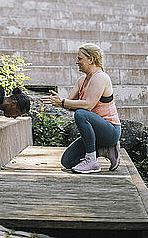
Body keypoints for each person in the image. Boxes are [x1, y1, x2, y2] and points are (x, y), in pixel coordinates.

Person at [41, 43, 121, 174]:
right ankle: (104, 150)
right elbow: (69, 103)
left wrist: (63, 102)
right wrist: (58, 100)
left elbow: (88, 105)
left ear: (91, 59)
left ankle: (92, 161)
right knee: (67, 161)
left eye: (79, 58)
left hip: (110, 131)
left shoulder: (101, 77)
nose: (76, 62)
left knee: (81, 114)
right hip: (95, 134)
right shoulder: (81, 80)